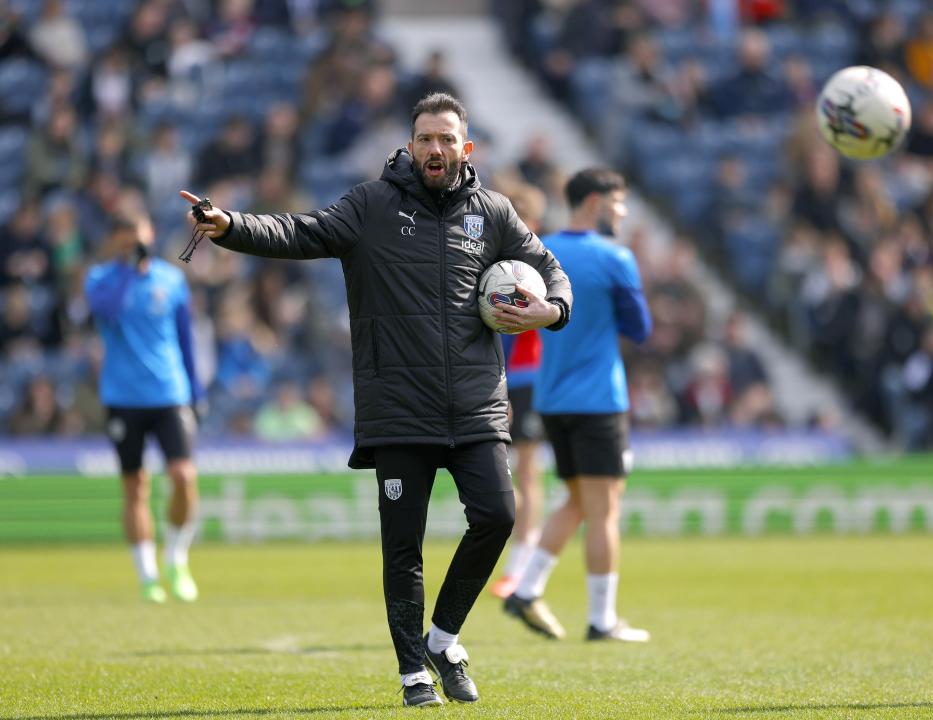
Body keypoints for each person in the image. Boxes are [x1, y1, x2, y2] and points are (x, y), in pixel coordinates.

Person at [180, 92, 572, 707]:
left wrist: (553, 310)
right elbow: (297, 231)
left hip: (475, 406)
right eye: (425, 139)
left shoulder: (493, 213)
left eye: (446, 139)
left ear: (465, 148)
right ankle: (413, 671)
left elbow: (548, 267)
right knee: (403, 548)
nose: (435, 149)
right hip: (398, 409)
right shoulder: (370, 206)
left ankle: (444, 639)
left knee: (498, 517)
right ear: (410, 146)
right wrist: (231, 225)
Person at [503, 168, 653, 642]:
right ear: (594, 203)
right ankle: (601, 619)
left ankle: (526, 589)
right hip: (598, 399)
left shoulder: (540, 253)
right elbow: (641, 328)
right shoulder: (614, 257)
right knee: (605, 507)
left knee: (577, 500)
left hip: (551, 398)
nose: (622, 212)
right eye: (618, 202)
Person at [84, 215, 204, 605]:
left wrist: (196, 391)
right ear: (115, 242)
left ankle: (176, 558)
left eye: (140, 237)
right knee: (135, 487)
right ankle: (148, 575)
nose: (136, 244)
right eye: (127, 239)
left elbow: (185, 339)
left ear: (151, 235)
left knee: (183, 476)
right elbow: (109, 311)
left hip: (170, 394)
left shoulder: (171, 280)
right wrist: (128, 270)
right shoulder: (101, 279)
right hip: (122, 398)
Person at [490, 183, 549, 600]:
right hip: (509, 377)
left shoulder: (539, 267)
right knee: (516, 474)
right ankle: (521, 563)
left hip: (530, 378)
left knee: (526, 472)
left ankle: (521, 567)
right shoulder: (500, 265)